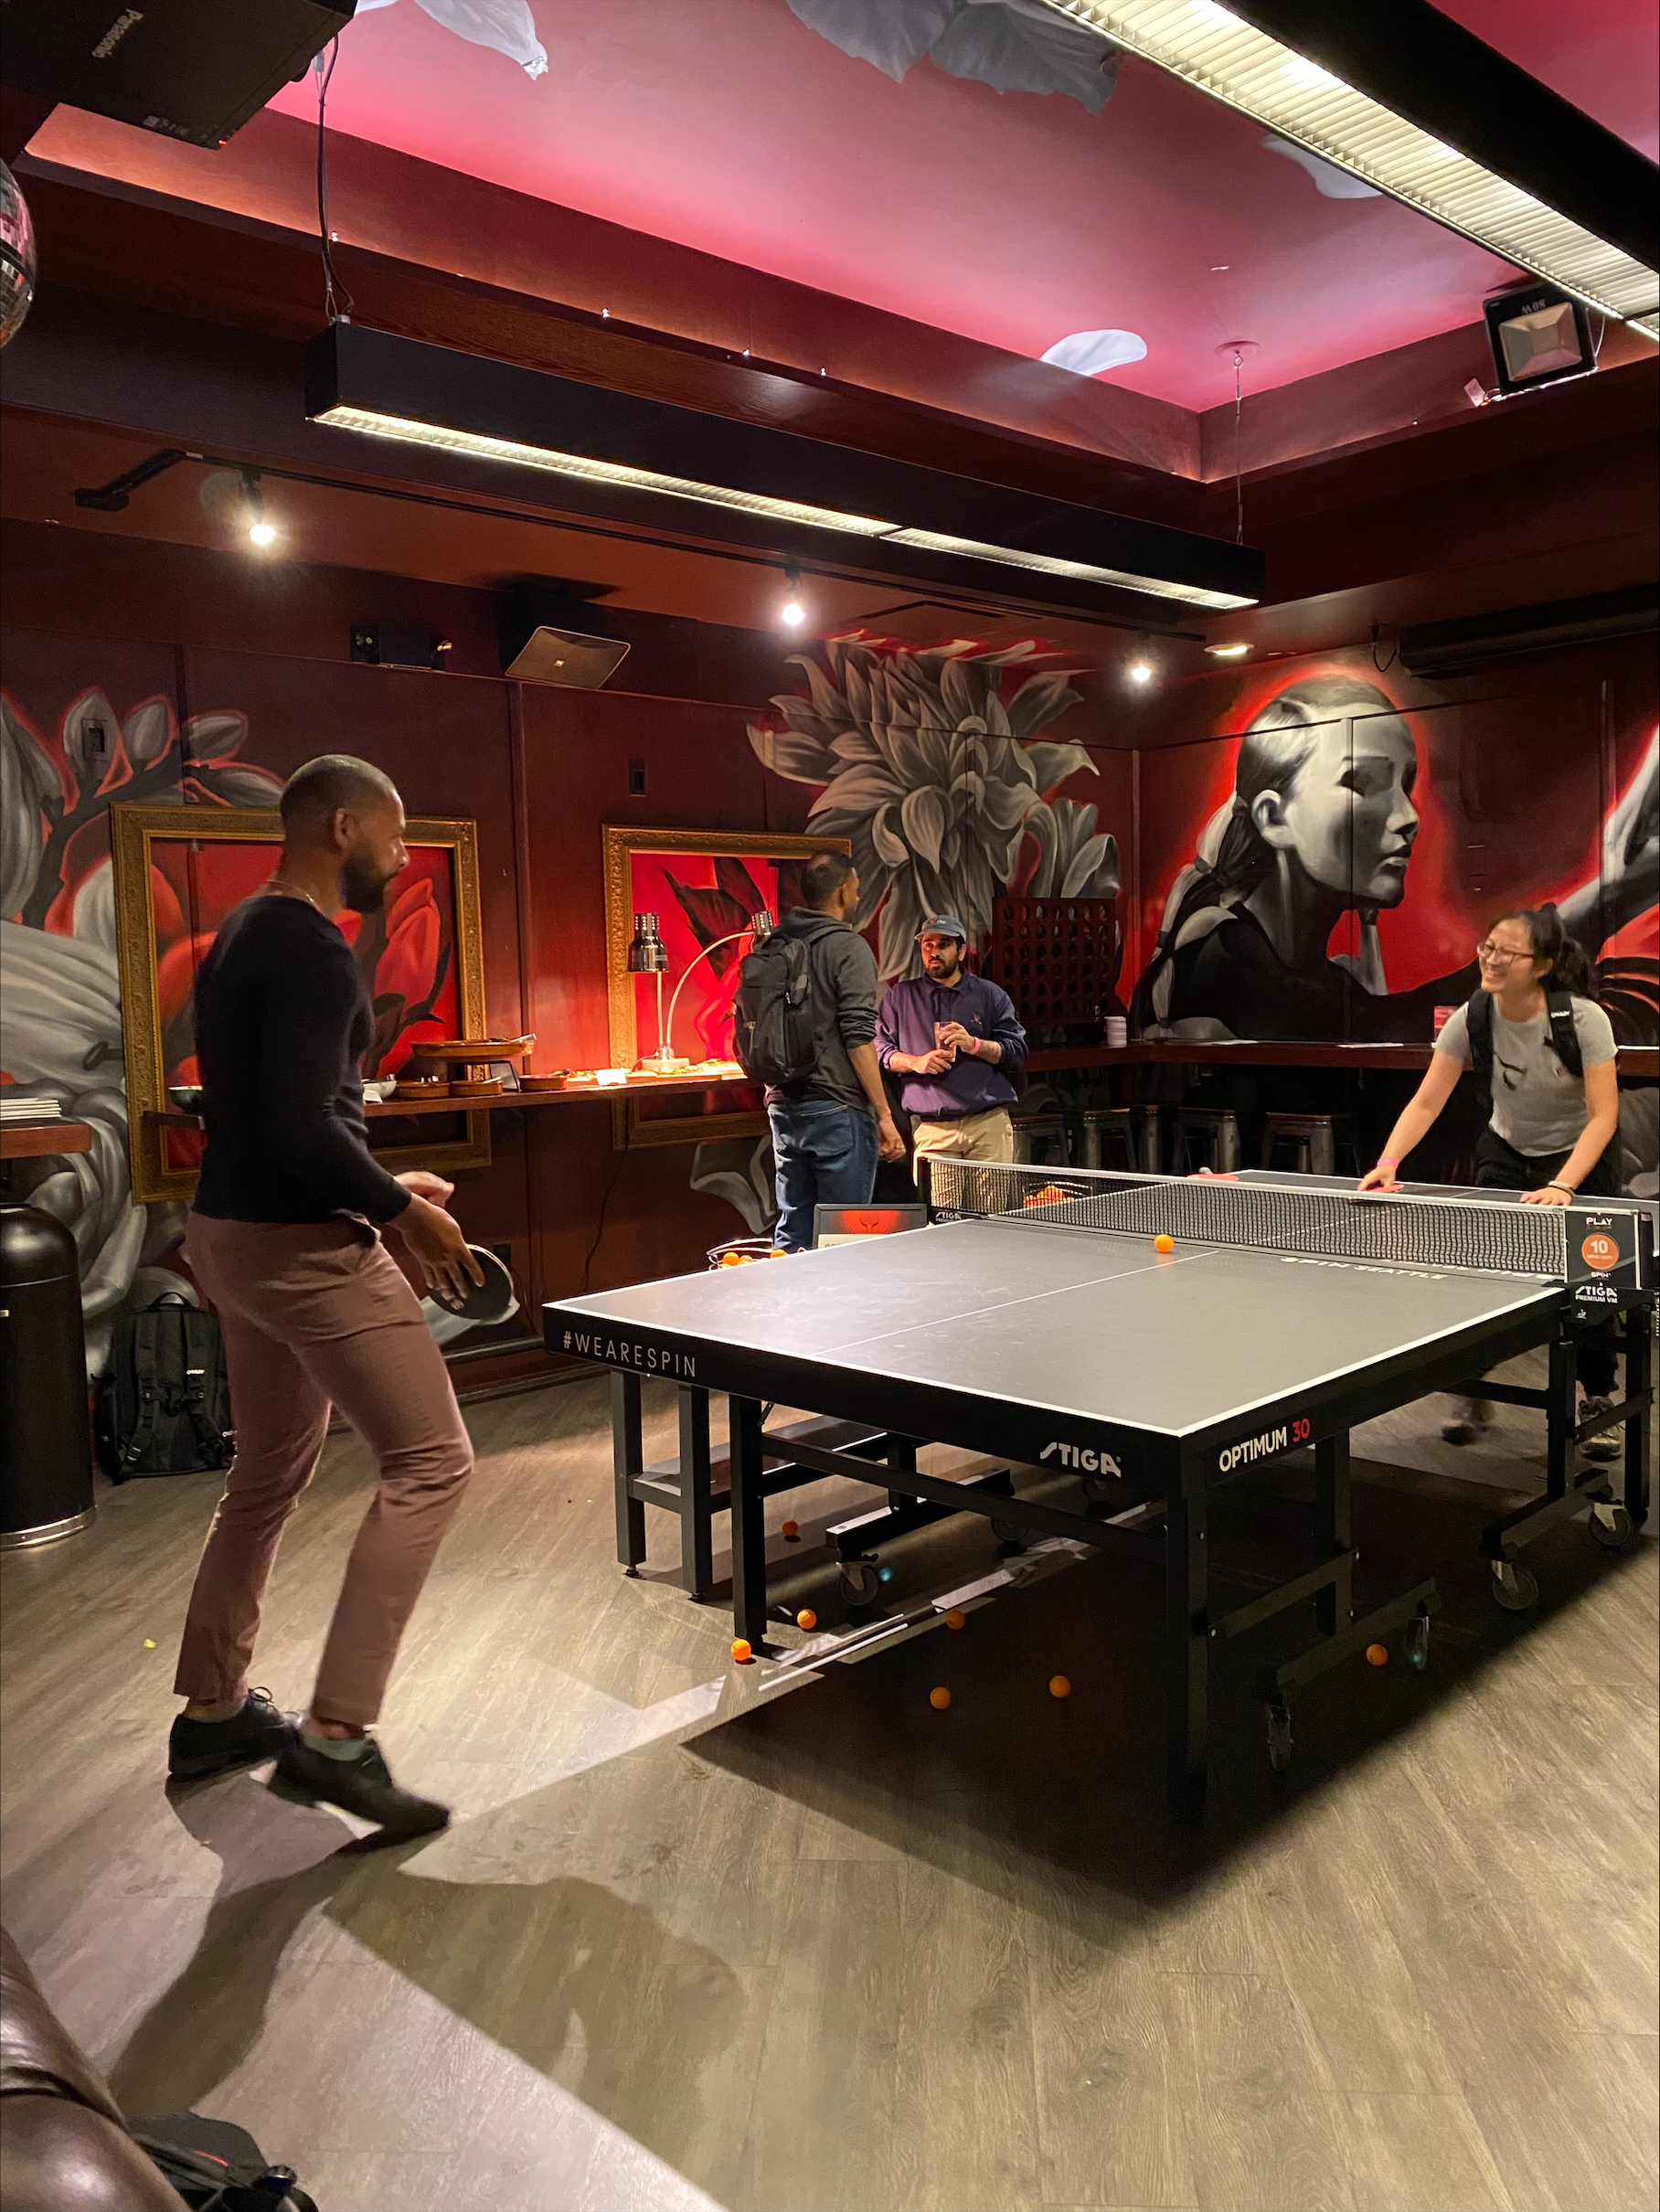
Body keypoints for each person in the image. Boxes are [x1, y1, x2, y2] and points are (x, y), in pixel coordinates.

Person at [166, 755, 484, 1840]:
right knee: (433, 1461)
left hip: (228, 1234)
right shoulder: (310, 948)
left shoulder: (249, 929)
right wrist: (401, 1211)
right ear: (342, 824)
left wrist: (393, 1180)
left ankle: (212, 1708)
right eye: (394, 838)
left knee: (265, 1470)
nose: (400, 860)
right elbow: (305, 1131)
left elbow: (277, 1110)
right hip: (301, 1247)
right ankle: (336, 1737)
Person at [1134, 684, 1657, 1043]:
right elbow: (1383, 1025)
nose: (1407, 816)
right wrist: (1607, 892)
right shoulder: (1219, 957)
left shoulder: (1327, 981)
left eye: (1406, 786)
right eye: (1361, 783)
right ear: (1275, 817)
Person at [1357, 903, 1623, 1456]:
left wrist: (1566, 1185)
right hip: (1506, 1150)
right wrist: (1388, 1162)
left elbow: (1603, 1117)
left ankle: (1600, 1397)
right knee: (1483, 1279)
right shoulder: (1473, 1016)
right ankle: (1473, 1390)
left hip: (1580, 1157)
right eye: (1488, 947)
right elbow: (1428, 1100)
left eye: (1508, 951)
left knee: (1596, 1284)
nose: (1492, 959)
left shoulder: (1583, 1020)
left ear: (1543, 964)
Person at [764, 851, 905, 1250]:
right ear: (844, 891)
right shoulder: (849, 947)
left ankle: (789, 1311)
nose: (859, 897)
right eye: (857, 889)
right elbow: (859, 1036)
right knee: (844, 1239)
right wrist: (884, 1114)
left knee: (793, 1232)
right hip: (838, 1109)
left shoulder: (775, 944)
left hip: (783, 1104)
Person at [876, 913, 1027, 1165]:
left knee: (992, 1206)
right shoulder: (901, 997)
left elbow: (1016, 1052)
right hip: (934, 1130)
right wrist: (916, 1062)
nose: (934, 951)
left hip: (987, 1125)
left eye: (944, 944)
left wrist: (974, 1044)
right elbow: (880, 1051)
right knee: (942, 1207)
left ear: (961, 951)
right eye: (928, 945)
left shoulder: (989, 994)